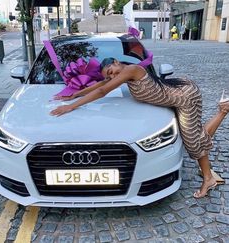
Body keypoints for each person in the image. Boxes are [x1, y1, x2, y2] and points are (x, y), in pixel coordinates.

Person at [50, 58, 229, 198]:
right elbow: (101, 85)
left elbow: (102, 92)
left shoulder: (131, 69)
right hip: (176, 95)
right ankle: (223, 111)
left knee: (192, 142)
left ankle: (209, 179)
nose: (112, 77)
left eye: (112, 72)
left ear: (116, 62)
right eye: (109, 76)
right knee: (195, 137)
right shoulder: (124, 74)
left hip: (184, 97)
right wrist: (74, 95)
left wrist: (71, 107)